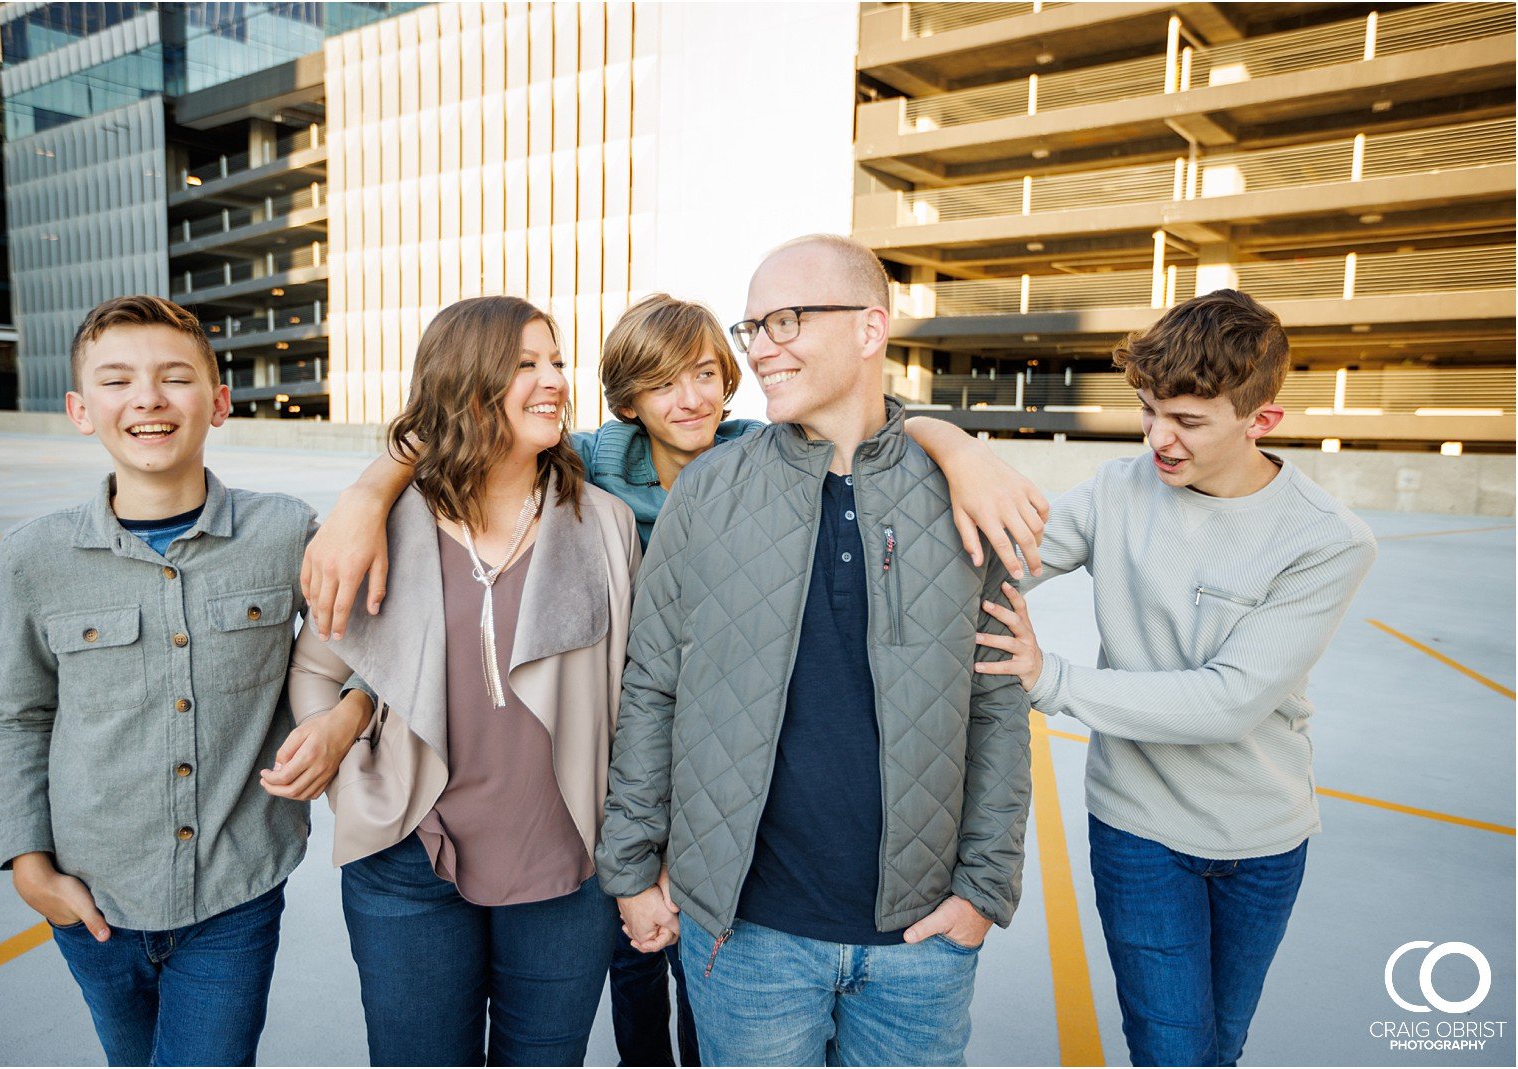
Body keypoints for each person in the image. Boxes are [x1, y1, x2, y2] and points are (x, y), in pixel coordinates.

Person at [300, 292, 1049, 1065]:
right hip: (620, 786)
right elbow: (460, 436)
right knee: (634, 981)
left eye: (703, 374)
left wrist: (957, 444)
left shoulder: (769, 454)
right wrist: (368, 491)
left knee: (706, 1003)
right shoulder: (590, 467)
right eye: (660, 383)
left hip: (703, 800)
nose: (687, 398)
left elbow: (871, 432)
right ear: (626, 404)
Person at [594, 234, 1034, 1067]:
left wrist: (984, 890)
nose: (761, 346)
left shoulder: (969, 493)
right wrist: (630, 865)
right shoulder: (709, 491)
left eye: (787, 320)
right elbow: (652, 687)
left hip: (920, 942)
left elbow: (997, 702)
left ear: (871, 329)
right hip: (749, 937)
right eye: (754, 325)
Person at [969, 290, 1377, 1066]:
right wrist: (954, 451)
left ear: (1262, 420)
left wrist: (1051, 677)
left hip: (1263, 841)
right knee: (1173, 1050)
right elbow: (998, 558)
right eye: (1150, 409)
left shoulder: (1328, 541)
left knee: (1217, 1048)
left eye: (1189, 420)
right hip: (1139, 830)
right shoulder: (1120, 490)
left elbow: (1230, 700)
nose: (1159, 436)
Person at [0, 295, 373, 1066]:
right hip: (89, 897)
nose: (148, 399)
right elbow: (21, 715)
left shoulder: (284, 531)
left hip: (235, 892)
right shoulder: (35, 557)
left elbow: (373, 651)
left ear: (219, 401)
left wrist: (347, 715)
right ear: (79, 408)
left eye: (175, 377)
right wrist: (29, 865)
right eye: (117, 380)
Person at [284, 295, 641, 1066]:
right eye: (524, 364)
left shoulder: (605, 524)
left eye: (555, 361)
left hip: (565, 864)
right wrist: (359, 780)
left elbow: (640, 699)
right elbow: (316, 665)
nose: (552, 380)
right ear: (466, 382)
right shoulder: (385, 523)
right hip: (410, 861)